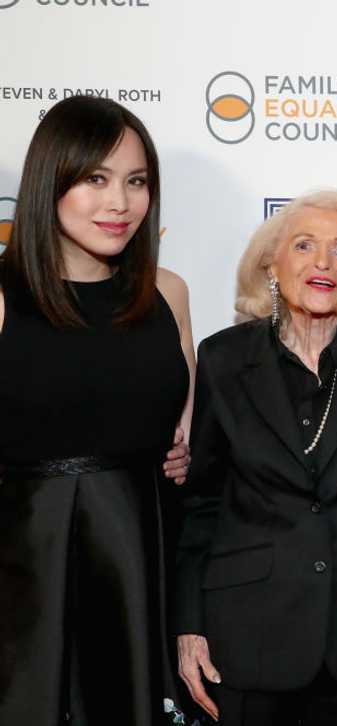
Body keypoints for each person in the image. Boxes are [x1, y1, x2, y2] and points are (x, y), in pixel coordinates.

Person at [174, 190, 337, 726]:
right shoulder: (223, 357)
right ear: (271, 266)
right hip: (245, 631)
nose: (323, 263)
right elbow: (203, 502)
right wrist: (189, 623)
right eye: (304, 245)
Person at [0, 96, 194, 725]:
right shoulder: (3, 297)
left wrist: (188, 457)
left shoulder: (168, 293)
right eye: (96, 179)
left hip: (144, 566)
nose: (120, 203)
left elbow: (182, 435)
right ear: (50, 182)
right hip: (26, 577)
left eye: (136, 181)